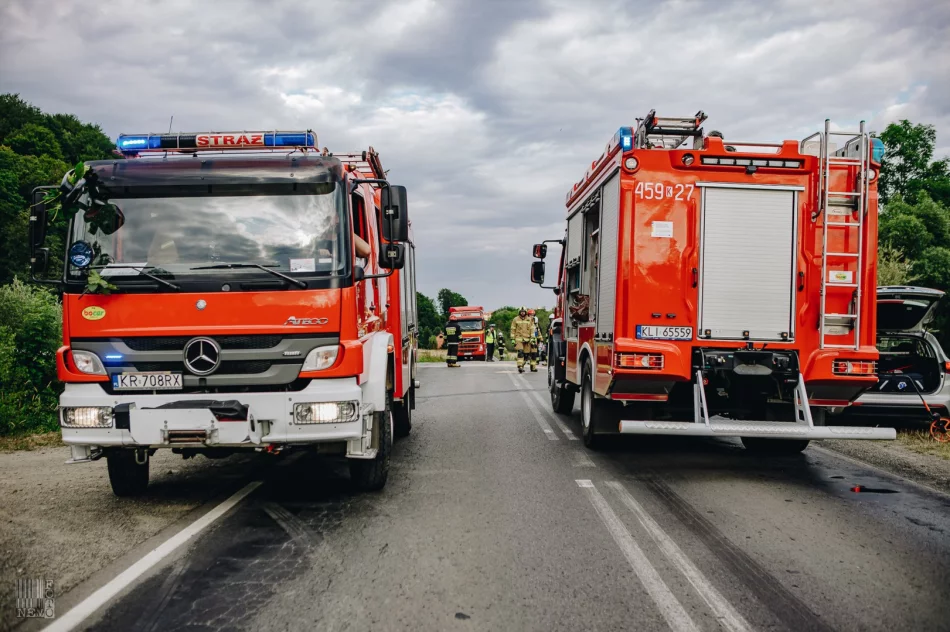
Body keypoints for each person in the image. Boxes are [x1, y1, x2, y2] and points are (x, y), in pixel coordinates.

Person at [510, 306, 538, 373]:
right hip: (518, 339)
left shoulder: (529, 319)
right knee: (520, 352)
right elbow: (513, 329)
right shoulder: (515, 319)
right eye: (521, 312)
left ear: (525, 312)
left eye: (523, 312)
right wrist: (512, 339)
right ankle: (519, 366)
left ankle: (522, 366)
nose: (522, 313)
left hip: (527, 340)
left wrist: (532, 338)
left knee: (526, 355)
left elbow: (532, 329)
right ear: (519, 312)